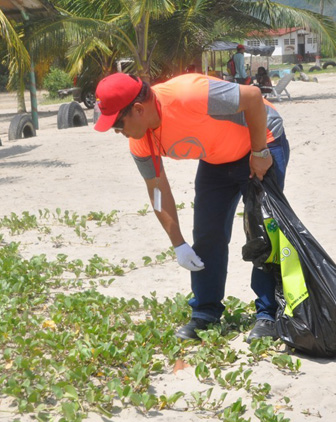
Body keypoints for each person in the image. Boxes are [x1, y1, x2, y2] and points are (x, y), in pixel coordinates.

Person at [94, 72, 291, 342]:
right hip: (216, 157)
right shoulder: (139, 140)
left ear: (138, 109)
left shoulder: (189, 95)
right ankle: (206, 312)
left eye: (118, 124)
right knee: (208, 232)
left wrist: (259, 153)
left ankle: (268, 314)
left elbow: (254, 98)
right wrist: (178, 244)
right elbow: (158, 191)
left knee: (264, 231)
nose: (118, 132)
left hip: (262, 139)